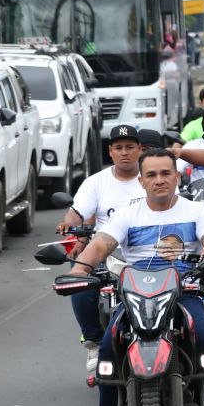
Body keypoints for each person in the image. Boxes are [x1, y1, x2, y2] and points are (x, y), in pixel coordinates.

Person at [65, 149, 204, 406]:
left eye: (166, 173)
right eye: (151, 175)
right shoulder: (127, 215)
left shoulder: (197, 210)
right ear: (141, 181)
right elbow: (100, 245)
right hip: (135, 298)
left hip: (184, 294)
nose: (159, 180)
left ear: (177, 177)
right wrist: (79, 270)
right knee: (108, 345)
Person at [58, 124, 146, 377]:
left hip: (146, 249)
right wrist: (68, 224)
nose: (124, 152)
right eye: (119, 148)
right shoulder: (96, 182)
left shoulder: (151, 177)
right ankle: (94, 342)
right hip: (106, 251)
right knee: (80, 275)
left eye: (130, 147)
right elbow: (77, 212)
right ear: (110, 152)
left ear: (140, 149)